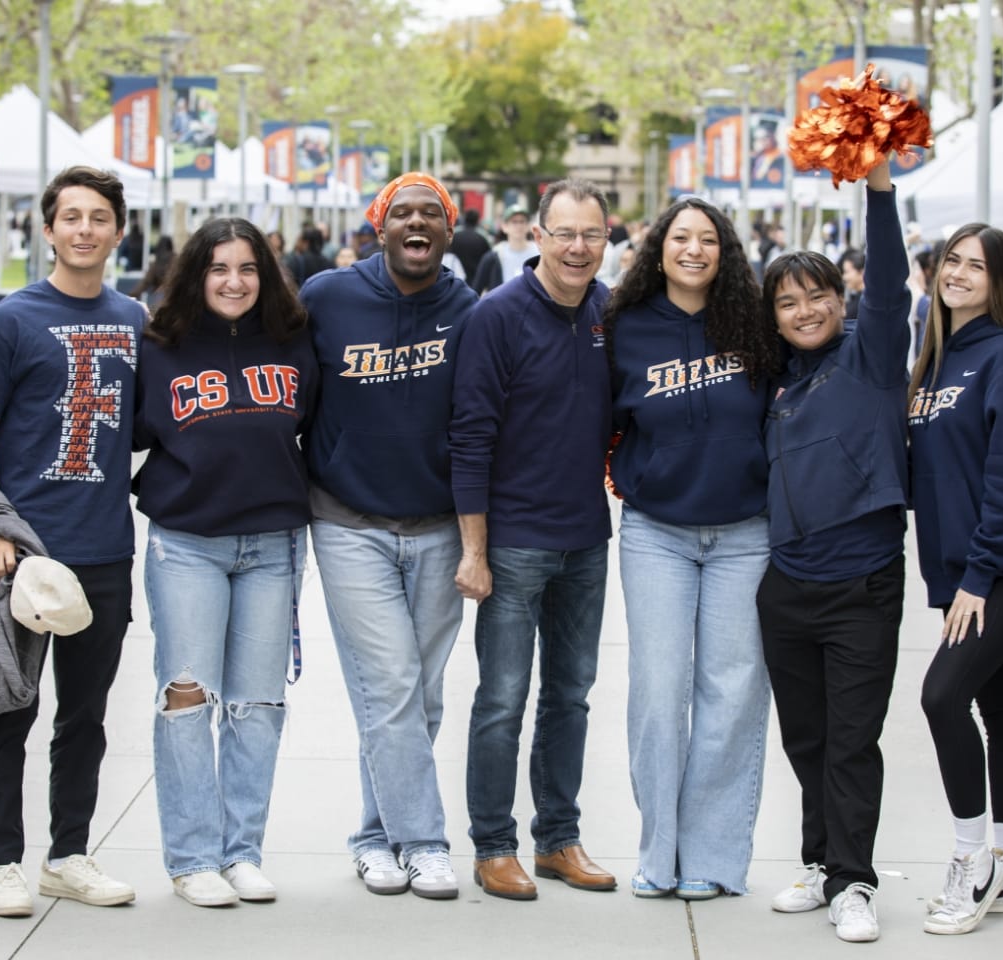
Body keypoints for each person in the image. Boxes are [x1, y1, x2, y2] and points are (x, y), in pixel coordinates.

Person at [0, 166, 144, 918]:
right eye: (70, 217)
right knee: (11, 712)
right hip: (25, 552)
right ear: (47, 230)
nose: (84, 230)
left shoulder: (137, 319)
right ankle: (2, 860)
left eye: (98, 217)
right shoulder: (9, 319)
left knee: (86, 717)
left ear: (118, 230)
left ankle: (68, 854)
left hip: (104, 550)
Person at [301, 173, 477, 900]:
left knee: (418, 699)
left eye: (429, 213)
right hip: (349, 522)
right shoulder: (326, 298)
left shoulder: (469, 310)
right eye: (401, 211)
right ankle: (425, 843)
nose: (415, 222)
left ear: (447, 228)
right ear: (378, 227)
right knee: (394, 686)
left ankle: (375, 836)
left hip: (438, 527)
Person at [133, 217, 316, 907]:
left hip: (272, 545)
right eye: (218, 269)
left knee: (258, 706)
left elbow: (310, 423)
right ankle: (191, 860)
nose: (234, 281)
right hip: (187, 544)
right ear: (195, 276)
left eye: (246, 268)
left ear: (264, 275)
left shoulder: (294, 341)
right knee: (187, 700)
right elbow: (134, 432)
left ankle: (241, 853)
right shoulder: (159, 345)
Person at [602, 196, 776, 900]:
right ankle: (659, 851)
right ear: (658, 247)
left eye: (708, 239)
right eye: (681, 238)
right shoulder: (624, 327)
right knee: (658, 692)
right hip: (657, 534)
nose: (695, 250)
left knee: (732, 694)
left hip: (745, 534)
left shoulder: (755, 324)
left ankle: (713, 859)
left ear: (725, 250)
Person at [451, 178, 617, 901]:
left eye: (592, 235)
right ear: (538, 236)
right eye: (565, 233)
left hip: (586, 538)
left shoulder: (613, 313)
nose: (578, 248)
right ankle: (493, 844)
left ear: (606, 240)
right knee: (503, 698)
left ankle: (559, 839)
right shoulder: (497, 316)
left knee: (572, 695)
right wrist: (475, 549)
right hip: (515, 541)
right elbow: (470, 437)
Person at [756, 152, 904, 943]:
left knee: (852, 741)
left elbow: (890, 284)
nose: (806, 309)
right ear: (772, 316)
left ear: (840, 300)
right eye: (788, 300)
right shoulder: (774, 380)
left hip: (863, 585)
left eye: (817, 294)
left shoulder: (872, 357)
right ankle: (821, 863)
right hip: (788, 589)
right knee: (806, 739)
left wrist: (878, 187)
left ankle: (855, 881)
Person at [906, 224, 1003, 935]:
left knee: (941, 696)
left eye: (977, 265)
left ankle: (975, 860)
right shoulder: (934, 359)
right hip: (964, 571)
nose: (959, 273)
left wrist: (979, 575)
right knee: (1000, 710)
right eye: (952, 261)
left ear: (999, 283)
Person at [471, 204, 538, 296]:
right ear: (504, 226)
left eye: (522, 221)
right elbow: (476, 290)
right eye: (514, 222)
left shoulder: (538, 253)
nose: (519, 226)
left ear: (528, 225)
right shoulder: (494, 256)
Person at [133, 235, 175, 311]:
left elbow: (145, 283)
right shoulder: (176, 259)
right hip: (175, 297)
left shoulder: (156, 263)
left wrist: (132, 295)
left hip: (160, 298)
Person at [450, 208, 493, 283]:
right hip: (475, 280)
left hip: (453, 278)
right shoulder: (483, 237)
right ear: (477, 220)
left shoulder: (454, 235)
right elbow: (489, 258)